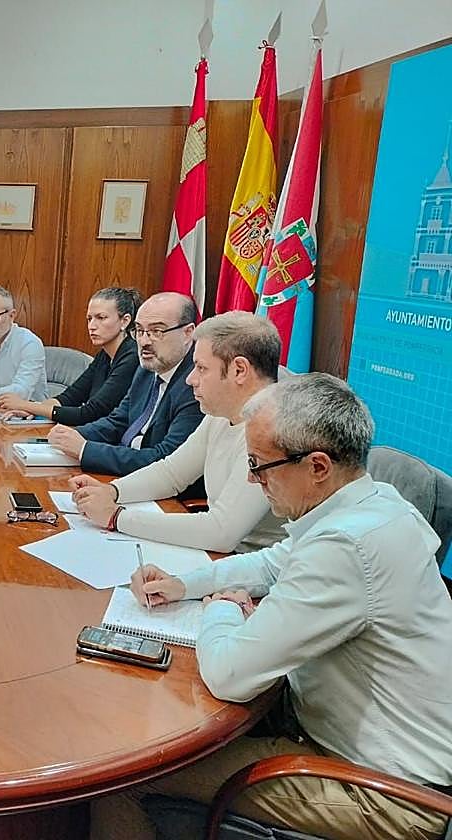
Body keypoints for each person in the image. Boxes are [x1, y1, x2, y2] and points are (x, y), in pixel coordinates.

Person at [91, 374, 452, 840]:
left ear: (318, 466)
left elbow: (230, 675)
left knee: (125, 779)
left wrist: (220, 608)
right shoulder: (375, 502)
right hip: (346, 736)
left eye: (259, 465)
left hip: (385, 793)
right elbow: (272, 563)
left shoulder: (347, 546)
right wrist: (184, 584)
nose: (250, 478)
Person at [69, 311, 286, 552]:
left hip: (248, 572)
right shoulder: (221, 415)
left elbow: (221, 532)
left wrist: (116, 517)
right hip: (214, 556)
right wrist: (112, 491)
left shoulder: (270, 430)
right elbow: (171, 473)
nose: (190, 379)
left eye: (201, 368)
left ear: (239, 370)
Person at [44, 292, 203, 483]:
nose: (144, 341)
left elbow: (166, 459)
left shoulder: (196, 384)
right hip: (126, 474)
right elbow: (118, 421)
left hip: (163, 491)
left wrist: (85, 449)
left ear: (188, 333)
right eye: (140, 331)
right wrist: (74, 434)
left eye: (157, 331)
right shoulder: (147, 369)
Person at [0, 286, 140, 425]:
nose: (92, 326)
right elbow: (70, 397)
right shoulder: (104, 355)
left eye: (101, 318)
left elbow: (89, 414)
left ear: (125, 321)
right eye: (89, 319)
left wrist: (26, 405)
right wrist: (34, 410)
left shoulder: (132, 357)